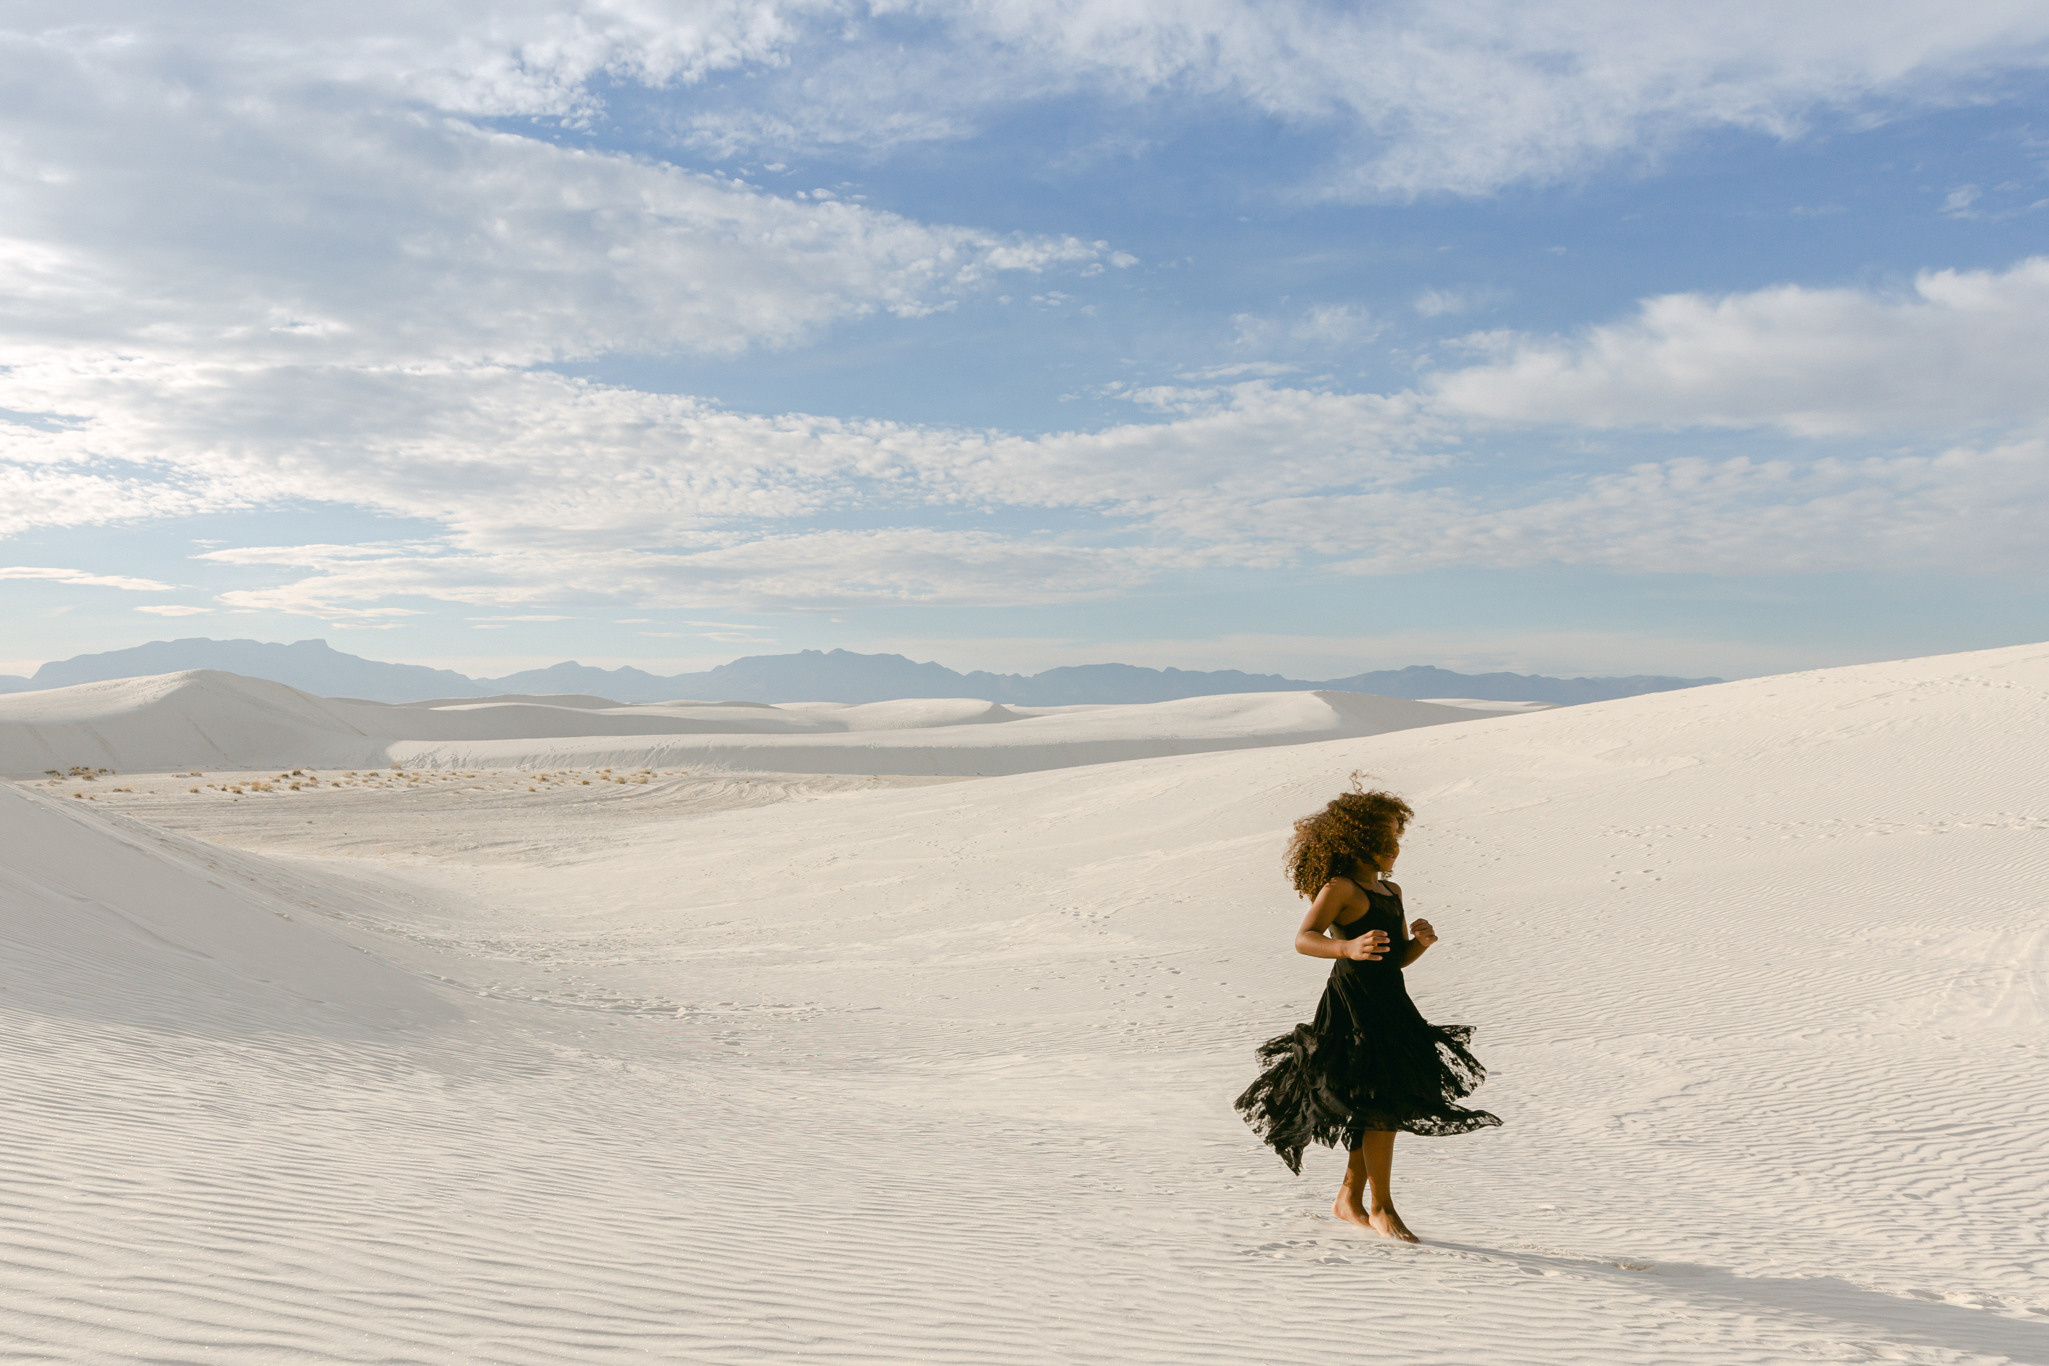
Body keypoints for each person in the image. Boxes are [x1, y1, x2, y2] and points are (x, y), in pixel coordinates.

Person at [1234, 782, 1500, 1241]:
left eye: (1397, 835)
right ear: (1357, 839)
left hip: (1391, 1004)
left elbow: (1393, 958)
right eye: (1385, 836)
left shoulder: (1391, 890)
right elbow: (1304, 938)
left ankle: (1349, 1200)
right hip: (1351, 1007)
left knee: (1380, 1103)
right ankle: (1381, 1207)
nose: (1395, 846)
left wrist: (1419, 944)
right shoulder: (1340, 887)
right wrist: (1346, 946)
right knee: (1379, 1106)